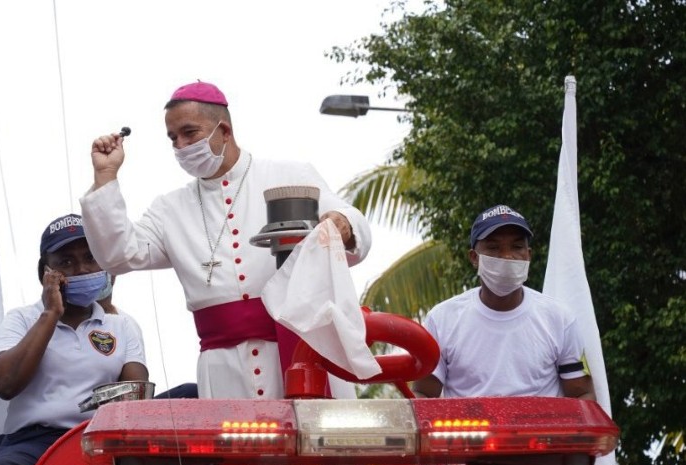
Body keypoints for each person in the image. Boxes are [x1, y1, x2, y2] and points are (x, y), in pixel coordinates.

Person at [81, 80, 372, 399]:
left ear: (225, 131)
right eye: (172, 138)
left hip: (303, 353)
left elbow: (351, 224)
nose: (180, 146)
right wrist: (106, 177)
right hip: (224, 371)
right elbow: (117, 256)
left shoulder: (289, 174)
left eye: (189, 133)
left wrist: (342, 224)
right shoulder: (169, 209)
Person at [0, 214, 148, 465]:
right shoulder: (21, 320)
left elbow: (137, 397)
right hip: (34, 443)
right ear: (45, 272)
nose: (81, 269)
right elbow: (5, 384)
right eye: (66, 263)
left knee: (189, 395)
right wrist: (50, 313)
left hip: (101, 439)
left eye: (90, 258)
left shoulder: (122, 326)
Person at [412, 205, 596, 400]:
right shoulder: (442, 320)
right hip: (471, 430)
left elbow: (582, 394)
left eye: (517, 247)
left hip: (540, 430)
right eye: (493, 248)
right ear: (474, 257)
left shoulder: (559, 319)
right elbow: (423, 393)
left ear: (528, 255)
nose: (507, 256)